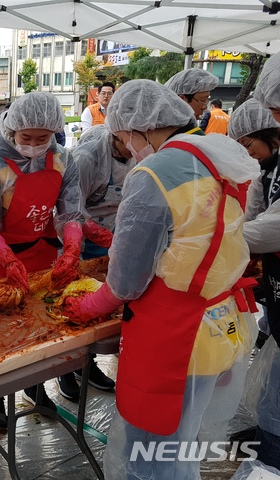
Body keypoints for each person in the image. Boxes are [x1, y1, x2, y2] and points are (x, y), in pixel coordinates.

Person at [62, 79, 259, 479]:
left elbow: (127, 278)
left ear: (141, 128)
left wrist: (90, 305)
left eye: (124, 137)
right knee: (181, 445)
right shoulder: (218, 155)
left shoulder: (154, 173)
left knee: (151, 457)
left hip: (175, 334)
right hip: (220, 321)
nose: (128, 147)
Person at [0, 91, 112, 429]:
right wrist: (7, 260)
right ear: (11, 131)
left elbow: (70, 213)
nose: (35, 144)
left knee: (37, 327)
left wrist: (71, 250)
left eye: (43, 138)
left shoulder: (63, 160)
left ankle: (35, 388)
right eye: (27, 138)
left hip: (41, 251)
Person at [53, 124, 136, 402]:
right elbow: (71, 208)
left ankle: (88, 366)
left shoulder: (137, 154)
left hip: (111, 236)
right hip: (81, 237)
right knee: (74, 305)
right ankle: (65, 368)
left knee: (98, 312)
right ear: (119, 135)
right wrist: (90, 236)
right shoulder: (89, 158)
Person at [231, 54, 280, 475]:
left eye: (249, 145)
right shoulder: (270, 166)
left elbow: (270, 228)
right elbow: (255, 214)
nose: (248, 154)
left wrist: (222, 241)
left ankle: (273, 453)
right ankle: (269, 437)